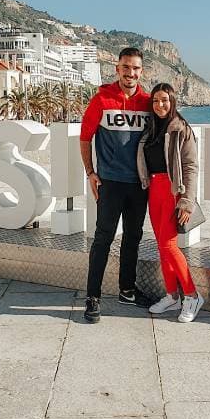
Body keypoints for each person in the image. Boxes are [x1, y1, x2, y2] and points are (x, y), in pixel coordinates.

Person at [79, 47, 152, 323]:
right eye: (125, 67)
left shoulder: (147, 102)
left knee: (133, 238)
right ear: (117, 69)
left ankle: (127, 291)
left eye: (135, 68)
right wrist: (90, 172)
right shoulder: (102, 99)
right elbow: (85, 138)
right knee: (103, 239)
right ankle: (92, 296)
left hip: (139, 185)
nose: (130, 73)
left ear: (141, 71)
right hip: (110, 183)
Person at [136, 83, 204, 323]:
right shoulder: (151, 129)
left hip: (173, 192)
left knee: (168, 246)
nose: (159, 105)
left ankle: (192, 295)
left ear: (172, 101)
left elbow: (191, 167)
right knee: (161, 246)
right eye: (155, 101)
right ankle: (172, 295)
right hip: (154, 189)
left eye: (164, 100)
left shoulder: (181, 129)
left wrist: (186, 202)